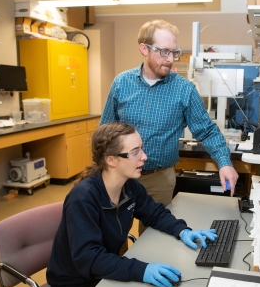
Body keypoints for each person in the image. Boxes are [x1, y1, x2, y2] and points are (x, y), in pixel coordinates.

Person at [46, 122, 217, 287]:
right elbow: (89, 258)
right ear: (111, 160)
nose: (144, 157)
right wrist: (142, 270)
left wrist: (182, 230)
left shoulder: (129, 186)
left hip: (101, 274)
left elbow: (155, 213)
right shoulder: (83, 198)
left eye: (141, 149)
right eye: (135, 152)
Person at [100, 19, 239, 237]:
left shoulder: (184, 90)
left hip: (158, 178)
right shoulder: (121, 83)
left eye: (174, 52)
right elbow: (105, 132)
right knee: (112, 234)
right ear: (144, 49)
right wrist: (99, 172)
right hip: (120, 175)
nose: (170, 59)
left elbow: (207, 130)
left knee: (153, 237)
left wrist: (224, 163)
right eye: (164, 52)